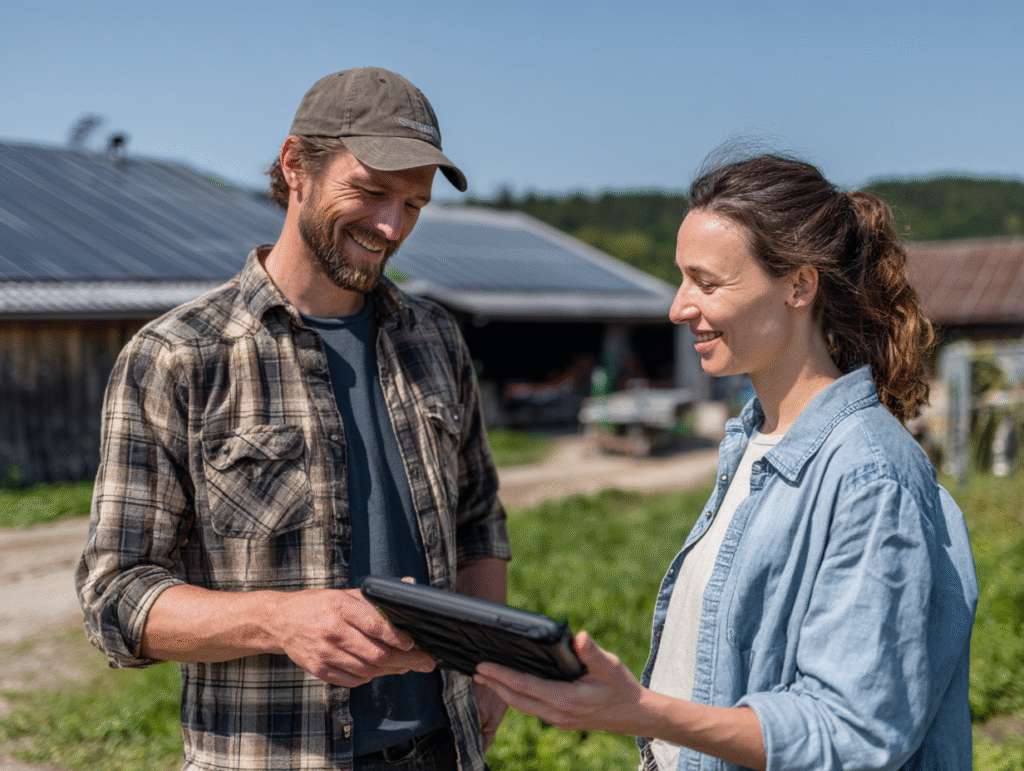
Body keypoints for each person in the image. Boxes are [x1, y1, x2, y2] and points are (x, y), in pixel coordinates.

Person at [474, 153, 978, 771]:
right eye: (682, 279)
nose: (678, 307)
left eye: (706, 283)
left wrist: (639, 710)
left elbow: (852, 734)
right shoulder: (755, 440)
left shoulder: (869, 474)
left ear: (799, 286)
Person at [76, 67, 511, 771]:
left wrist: (486, 663)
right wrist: (279, 620)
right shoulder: (179, 355)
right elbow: (115, 594)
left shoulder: (435, 339)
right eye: (370, 191)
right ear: (294, 165)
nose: (391, 226)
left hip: (444, 749)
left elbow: (479, 522)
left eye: (413, 204)